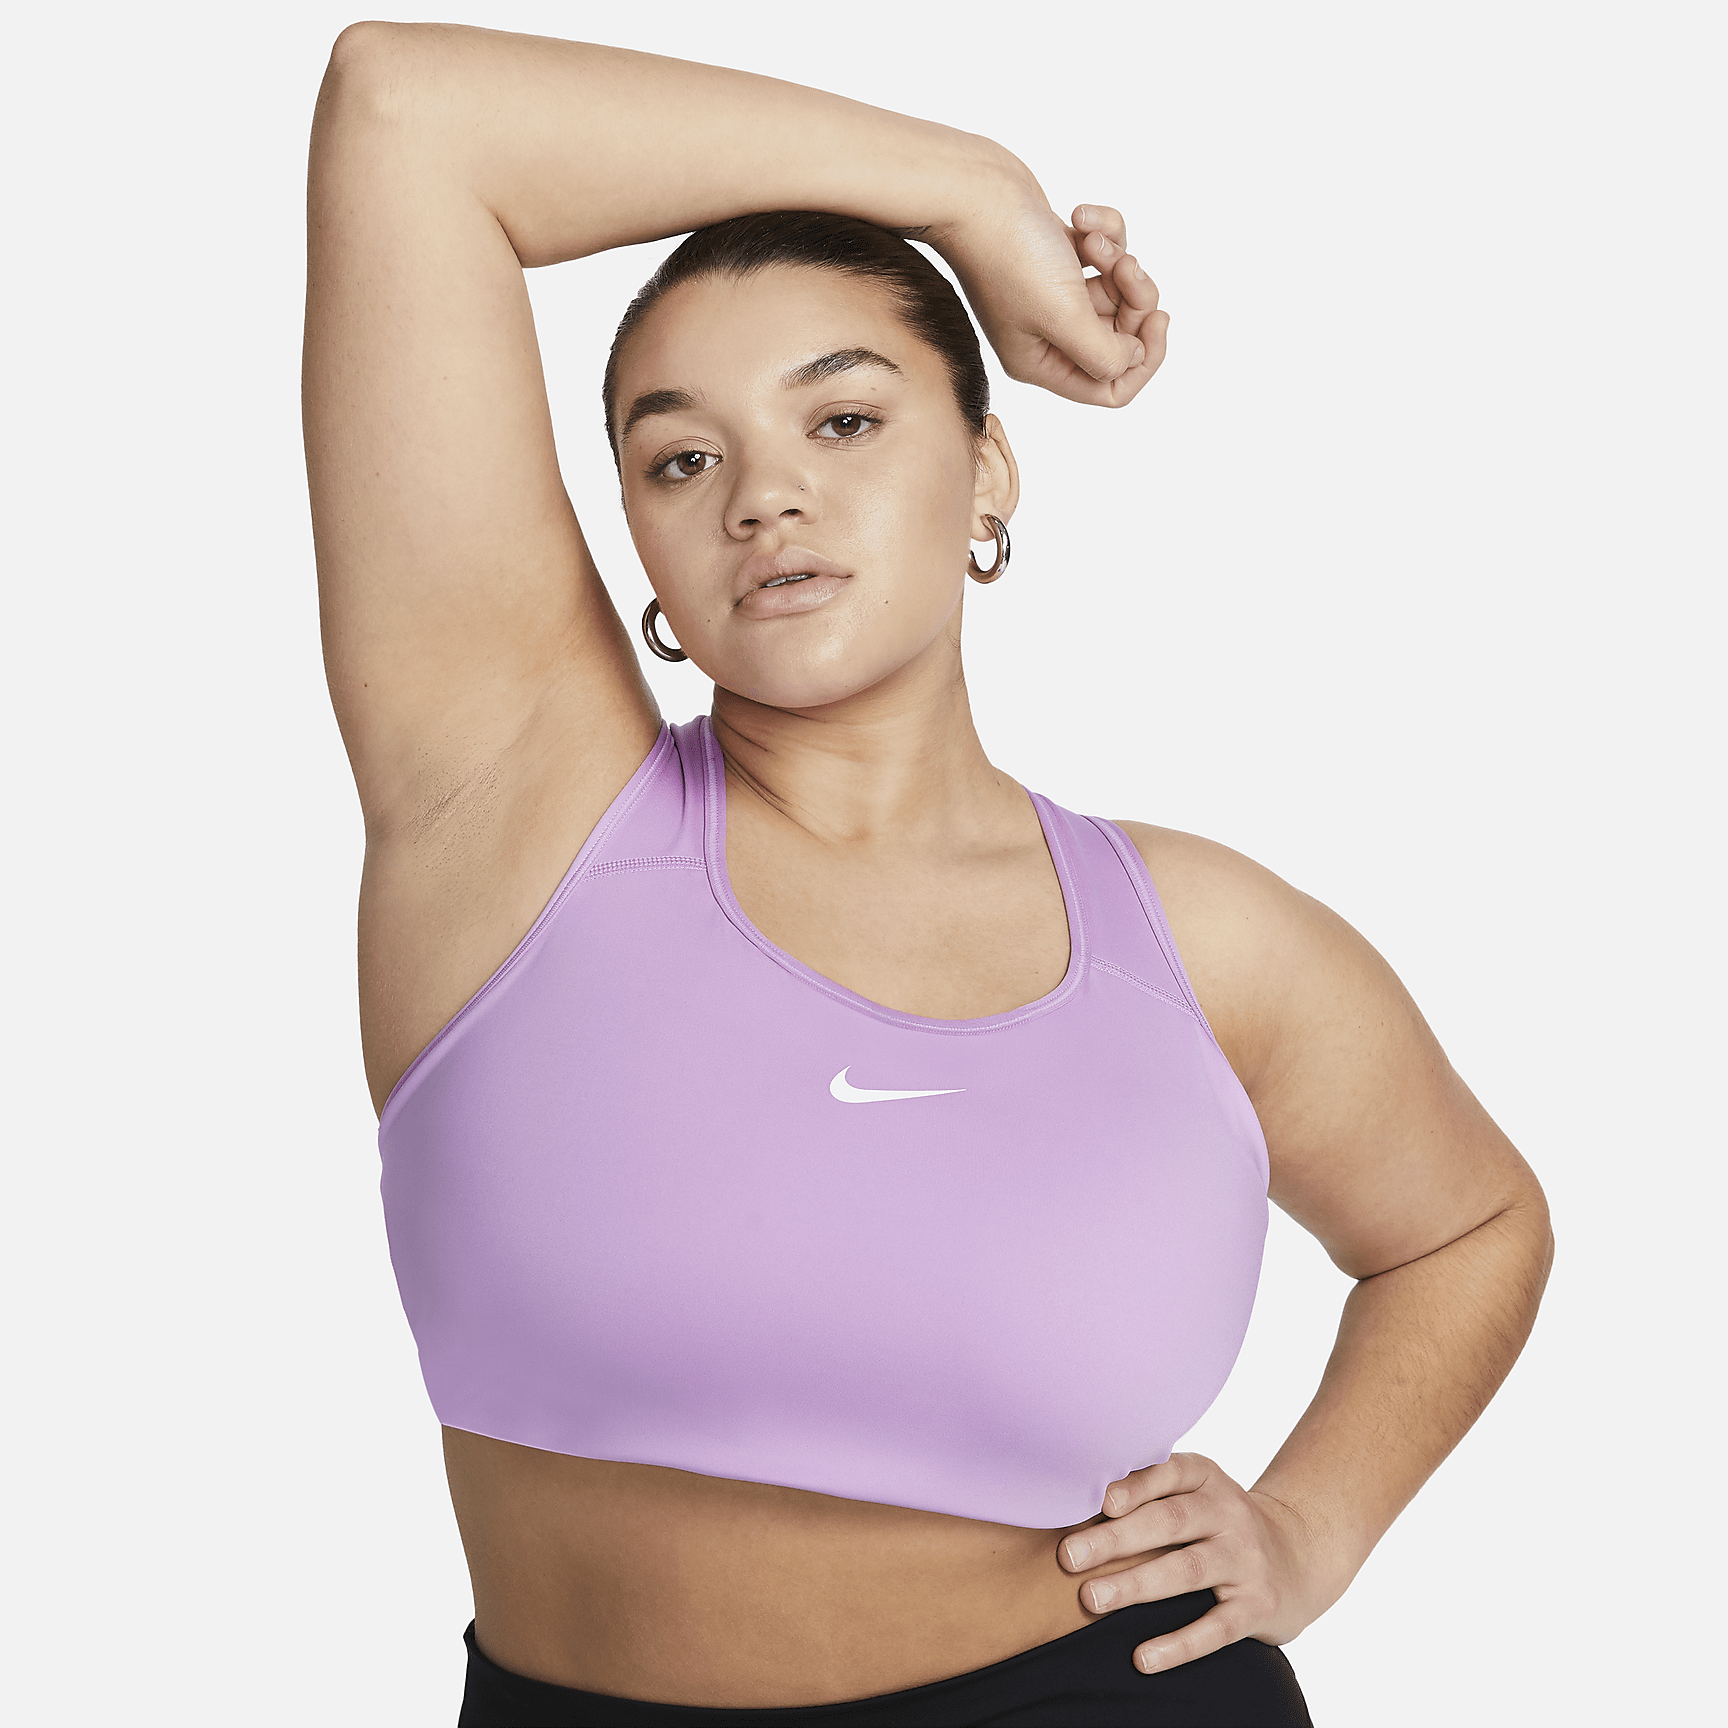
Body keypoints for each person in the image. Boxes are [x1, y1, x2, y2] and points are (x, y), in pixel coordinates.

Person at [303, 22, 1554, 1727]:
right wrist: (968, 192)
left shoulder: (1202, 946)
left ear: (988, 472)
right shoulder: (513, 810)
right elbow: (406, 111)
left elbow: (1469, 1230)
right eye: (683, 458)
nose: (766, 496)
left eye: (844, 417)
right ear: (641, 547)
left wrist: (1309, 1529)